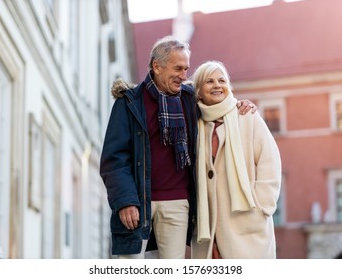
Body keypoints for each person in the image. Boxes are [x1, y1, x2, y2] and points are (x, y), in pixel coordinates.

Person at [100, 36, 256, 259]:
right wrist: (125, 201)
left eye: (186, 69)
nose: (184, 75)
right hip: (138, 202)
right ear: (157, 66)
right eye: (178, 68)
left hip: (178, 202)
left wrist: (239, 104)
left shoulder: (190, 99)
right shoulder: (128, 103)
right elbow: (113, 159)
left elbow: (218, 104)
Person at [191, 60, 281, 259]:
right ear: (198, 90)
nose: (217, 85)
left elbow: (270, 160)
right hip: (209, 228)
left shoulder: (247, 116)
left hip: (246, 221)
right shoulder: (193, 124)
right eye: (209, 81)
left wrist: (263, 205)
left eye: (222, 80)